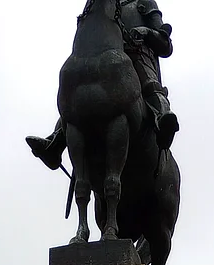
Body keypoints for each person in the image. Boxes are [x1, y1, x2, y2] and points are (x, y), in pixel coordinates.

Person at [27, 0, 180, 170]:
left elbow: (166, 45)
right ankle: (55, 143)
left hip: (138, 56)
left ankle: (163, 119)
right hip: (105, 61)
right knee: (80, 92)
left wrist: (146, 32)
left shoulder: (143, 2)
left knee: (149, 84)